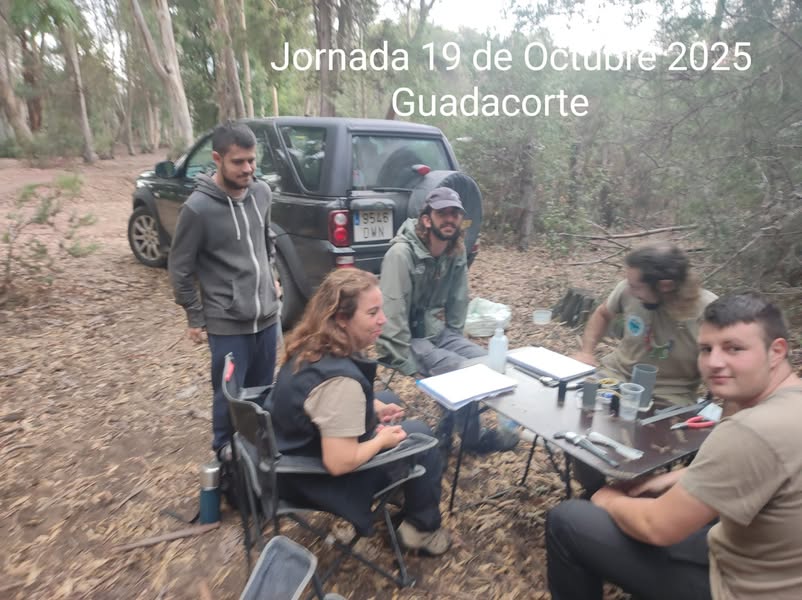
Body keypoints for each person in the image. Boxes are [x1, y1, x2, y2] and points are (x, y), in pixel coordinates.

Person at [546, 292, 802, 600]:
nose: (715, 362)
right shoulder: (790, 406)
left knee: (569, 518)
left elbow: (658, 527)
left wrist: (604, 497)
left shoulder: (750, 431)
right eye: (706, 349)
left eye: (734, 348)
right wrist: (673, 477)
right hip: (771, 565)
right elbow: (755, 474)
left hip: (736, 588)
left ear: (776, 351)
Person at [269, 269, 451, 555]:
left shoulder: (312, 344)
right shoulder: (341, 383)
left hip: (292, 451)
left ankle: (406, 493)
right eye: (372, 313)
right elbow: (339, 463)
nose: (383, 320)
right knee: (422, 438)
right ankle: (420, 530)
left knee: (386, 398)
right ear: (341, 318)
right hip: (316, 479)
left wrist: (373, 407)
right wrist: (381, 441)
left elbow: (318, 402)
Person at [376, 187, 517, 454]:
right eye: (442, 213)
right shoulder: (401, 255)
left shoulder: (455, 250)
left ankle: (455, 432)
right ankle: (462, 437)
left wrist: (454, 336)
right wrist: (405, 362)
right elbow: (392, 315)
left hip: (438, 332)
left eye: (455, 214)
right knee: (462, 370)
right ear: (427, 219)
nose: (449, 219)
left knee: (488, 364)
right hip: (407, 339)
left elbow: (459, 299)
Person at [168, 122, 280, 457]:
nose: (248, 168)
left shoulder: (262, 193)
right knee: (229, 396)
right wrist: (194, 315)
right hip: (228, 323)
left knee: (263, 394)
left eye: (252, 160)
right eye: (238, 162)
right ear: (217, 159)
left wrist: (272, 276)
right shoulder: (198, 209)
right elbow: (180, 267)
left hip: (267, 318)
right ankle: (225, 457)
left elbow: (266, 239)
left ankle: (258, 461)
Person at [575, 243, 717, 407]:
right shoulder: (628, 290)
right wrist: (586, 352)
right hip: (615, 375)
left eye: (636, 287)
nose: (630, 291)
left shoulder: (708, 310)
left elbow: (724, 361)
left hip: (669, 395)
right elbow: (602, 313)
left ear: (665, 285)